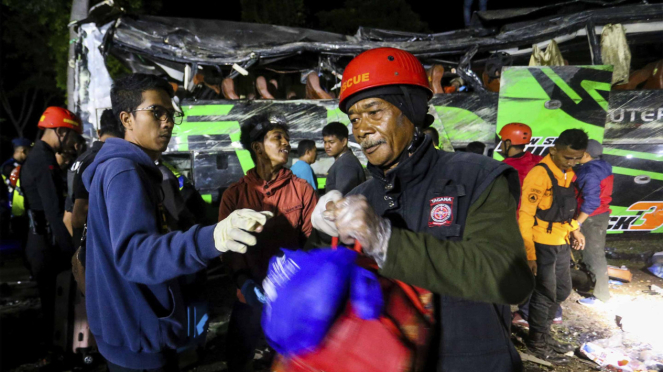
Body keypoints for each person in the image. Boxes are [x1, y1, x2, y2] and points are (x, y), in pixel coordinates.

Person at [309, 47, 533, 371]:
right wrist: (322, 239)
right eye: (354, 118)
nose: (361, 129)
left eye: (374, 112)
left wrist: (387, 241)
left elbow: (511, 280)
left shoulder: (475, 177)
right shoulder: (361, 196)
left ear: (411, 110)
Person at [83, 73, 271, 371]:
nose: (167, 121)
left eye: (171, 114)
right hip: (139, 337)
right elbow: (135, 255)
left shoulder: (129, 168)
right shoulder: (125, 172)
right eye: (156, 112)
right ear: (127, 119)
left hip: (128, 329)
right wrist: (212, 238)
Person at [219, 113, 318, 372]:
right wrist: (244, 282)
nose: (286, 143)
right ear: (257, 147)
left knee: (288, 360)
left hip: (289, 295)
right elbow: (228, 249)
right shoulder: (234, 194)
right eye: (277, 137)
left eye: (287, 137)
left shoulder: (302, 190)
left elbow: (311, 241)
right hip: (249, 293)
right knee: (238, 358)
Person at [519, 129, 588, 364]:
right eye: (567, 157)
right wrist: (530, 254)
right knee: (545, 293)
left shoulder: (567, 173)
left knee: (561, 291)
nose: (572, 162)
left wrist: (574, 229)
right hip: (541, 243)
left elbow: (563, 211)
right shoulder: (540, 174)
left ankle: (545, 335)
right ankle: (537, 341)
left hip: (561, 241)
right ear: (553, 150)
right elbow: (526, 215)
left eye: (576, 159)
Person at [20, 107, 82, 341]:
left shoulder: (36, 156)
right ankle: (57, 350)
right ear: (60, 131)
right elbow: (55, 213)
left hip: (37, 240)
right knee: (53, 303)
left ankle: (55, 348)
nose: (73, 142)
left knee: (50, 301)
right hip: (45, 243)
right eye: (72, 135)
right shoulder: (45, 160)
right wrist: (71, 251)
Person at [68, 109, 123, 248]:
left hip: (83, 247)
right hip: (97, 250)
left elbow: (67, 217)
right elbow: (78, 217)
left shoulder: (81, 159)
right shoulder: (106, 160)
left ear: (99, 132)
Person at [575, 139, 613, 305]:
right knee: (591, 253)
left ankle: (601, 296)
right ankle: (594, 283)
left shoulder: (589, 172)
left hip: (591, 217)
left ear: (586, 154)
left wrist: (578, 223)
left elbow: (591, 201)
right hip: (601, 214)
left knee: (593, 255)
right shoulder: (603, 165)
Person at [322, 122, 366, 195]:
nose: (327, 146)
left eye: (331, 142)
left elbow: (343, 197)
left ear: (344, 142)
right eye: (325, 142)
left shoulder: (346, 164)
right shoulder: (343, 160)